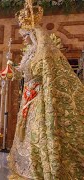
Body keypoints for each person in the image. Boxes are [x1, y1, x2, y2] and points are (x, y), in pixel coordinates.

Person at [8, 1, 84, 179]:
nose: (24, 38)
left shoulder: (43, 52)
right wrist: (12, 72)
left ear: (34, 33)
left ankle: (39, 168)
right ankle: (26, 167)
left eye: (26, 35)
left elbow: (45, 72)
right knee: (26, 134)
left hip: (38, 98)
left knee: (38, 133)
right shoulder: (29, 53)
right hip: (27, 97)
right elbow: (23, 73)